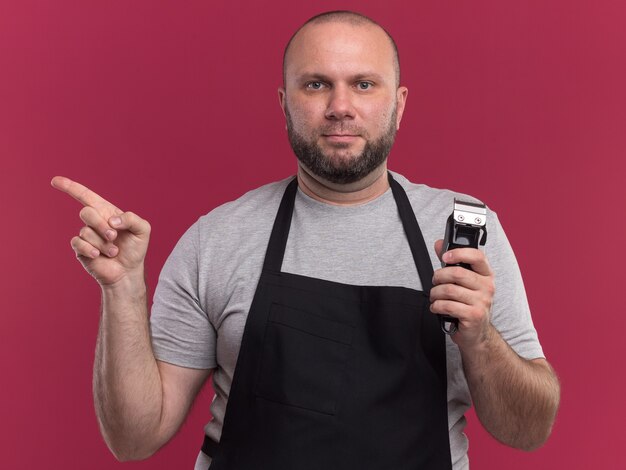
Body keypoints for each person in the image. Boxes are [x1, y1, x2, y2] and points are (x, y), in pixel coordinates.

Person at [52, 10, 560, 470]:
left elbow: (528, 430)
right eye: (316, 84)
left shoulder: (463, 233)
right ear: (284, 103)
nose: (340, 106)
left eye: (364, 84)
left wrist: (479, 337)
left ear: (399, 104)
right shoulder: (217, 240)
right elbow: (133, 438)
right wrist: (123, 291)